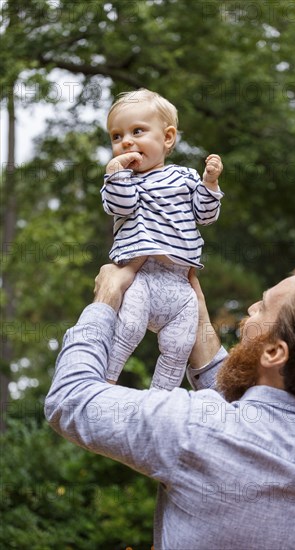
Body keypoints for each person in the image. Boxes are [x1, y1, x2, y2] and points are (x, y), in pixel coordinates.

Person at [45, 262, 295, 550]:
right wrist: (195, 313)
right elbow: (250, 421)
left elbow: (72, 397)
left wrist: (105, 300)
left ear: (273, 354)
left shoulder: (195, 428)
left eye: (262, 308)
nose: (251, 308)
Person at [100, 88, 223, 389]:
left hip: (180, 285)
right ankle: (106, 380)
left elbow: (204, 214)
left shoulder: (184, 177)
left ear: (167, 138)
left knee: (180, 345)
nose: (126, 141)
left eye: (137, 131)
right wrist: (116, 173)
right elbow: (122, 205)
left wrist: (209, 182)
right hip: (141, 277)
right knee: (127, 327)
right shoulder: (125, 182)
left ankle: (161, 398)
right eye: (117, 136)